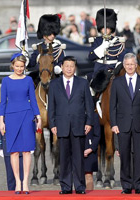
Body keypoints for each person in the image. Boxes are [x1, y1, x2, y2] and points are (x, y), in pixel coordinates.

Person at [48, 56, 94, 195]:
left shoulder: (82, 83)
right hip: (61, 125)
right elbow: (51, 107)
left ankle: (80, 186)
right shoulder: (54, 84)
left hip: (79, 125)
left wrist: (89, 122)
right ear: (61, 67)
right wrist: (52, 123)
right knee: (64, 158)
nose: (69, 68)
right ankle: (66, 186)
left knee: (78, 158)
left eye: (71, 66)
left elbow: (89, 105)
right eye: (66, 66)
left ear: (75, 68)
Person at [110, 53, 140, 195]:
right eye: (127, 64)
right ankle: (126, 185)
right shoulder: (117, 82)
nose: (129, 66)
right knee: (124, 155)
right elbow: (113, 106)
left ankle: (139, 184)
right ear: (124, 65)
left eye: (132, 64)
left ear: (136, 65)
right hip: (122, 125)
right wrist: (114, 123)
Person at [0, 53, 41, 194]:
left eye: (22, 67)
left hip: (27, 116)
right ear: (12, 66)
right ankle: (17, 181)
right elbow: (3, 102)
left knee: (27, 150)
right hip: (11, 117)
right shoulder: (6, 81)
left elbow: (33, 100)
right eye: (17, 66)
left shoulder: (28, 80)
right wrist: (1, 121)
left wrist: (38, 116)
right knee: (14, 151)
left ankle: (25, 182)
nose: (19, 69)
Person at [88, 8, 126, 95]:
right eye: (103, 27)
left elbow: (122, 55)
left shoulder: (117, 41)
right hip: (99, 70)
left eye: (108, 27)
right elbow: (91, 56)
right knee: (92, 91)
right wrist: (102, 47)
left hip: (113, 71)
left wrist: (117, 67)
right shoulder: (96, 41)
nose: (105, 30)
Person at [0, 102, 24, 191]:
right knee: (11, 178)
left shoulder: (25, 103)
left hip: (22, 144)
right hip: (7, 143)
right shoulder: (1, 105)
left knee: (22, 178)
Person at [84, 112, 101, 190]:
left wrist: (91, 148)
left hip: (90, 149)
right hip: (77, 149)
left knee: (88, 175)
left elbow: (97, 135)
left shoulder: (94, 116)